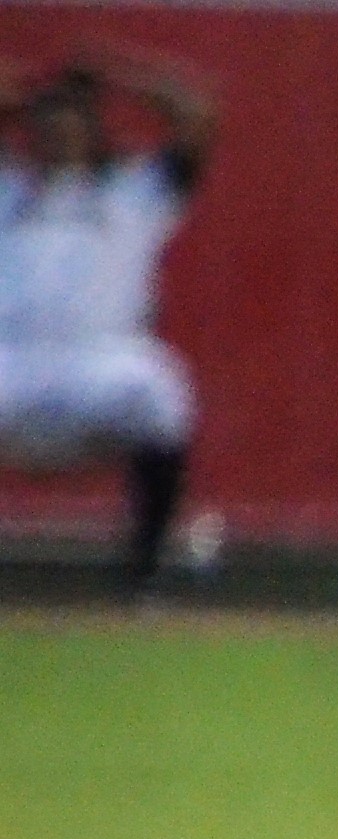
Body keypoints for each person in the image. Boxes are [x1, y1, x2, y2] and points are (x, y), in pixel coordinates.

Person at [0, 49, 214, 591]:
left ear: (94, 131)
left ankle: (144, 571)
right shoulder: (10, 189)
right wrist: (23, 98)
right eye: (49, 126)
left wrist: (114, 75)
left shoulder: (134, 191)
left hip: (100, 358)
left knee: (161, 391)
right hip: (13, 356)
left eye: (72, 124)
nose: (60, 136)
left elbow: (196, 118)